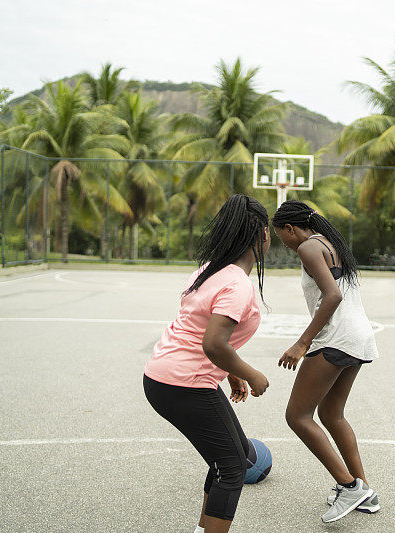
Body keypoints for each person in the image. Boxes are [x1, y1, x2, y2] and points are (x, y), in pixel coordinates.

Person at [143, 194, 271, 533]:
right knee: (232, 467)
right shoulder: (237, 283)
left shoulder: (209, 271)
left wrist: (229, 374)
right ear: (262, 234)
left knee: (231, 457)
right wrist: (251, 374)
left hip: (163, 377)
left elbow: (202, 329)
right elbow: (213, 342)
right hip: (185, 384)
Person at [272, 200, 379, 524]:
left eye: (281, 237)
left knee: (297, 416)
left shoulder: (308, 247)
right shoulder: (329, 243)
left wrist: (302, 343)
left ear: (290, 229)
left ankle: (348, 486)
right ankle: (364, 491)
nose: (284, 244)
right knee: (331, 414)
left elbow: (333, 295)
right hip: (358, 336)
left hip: (337, 338)